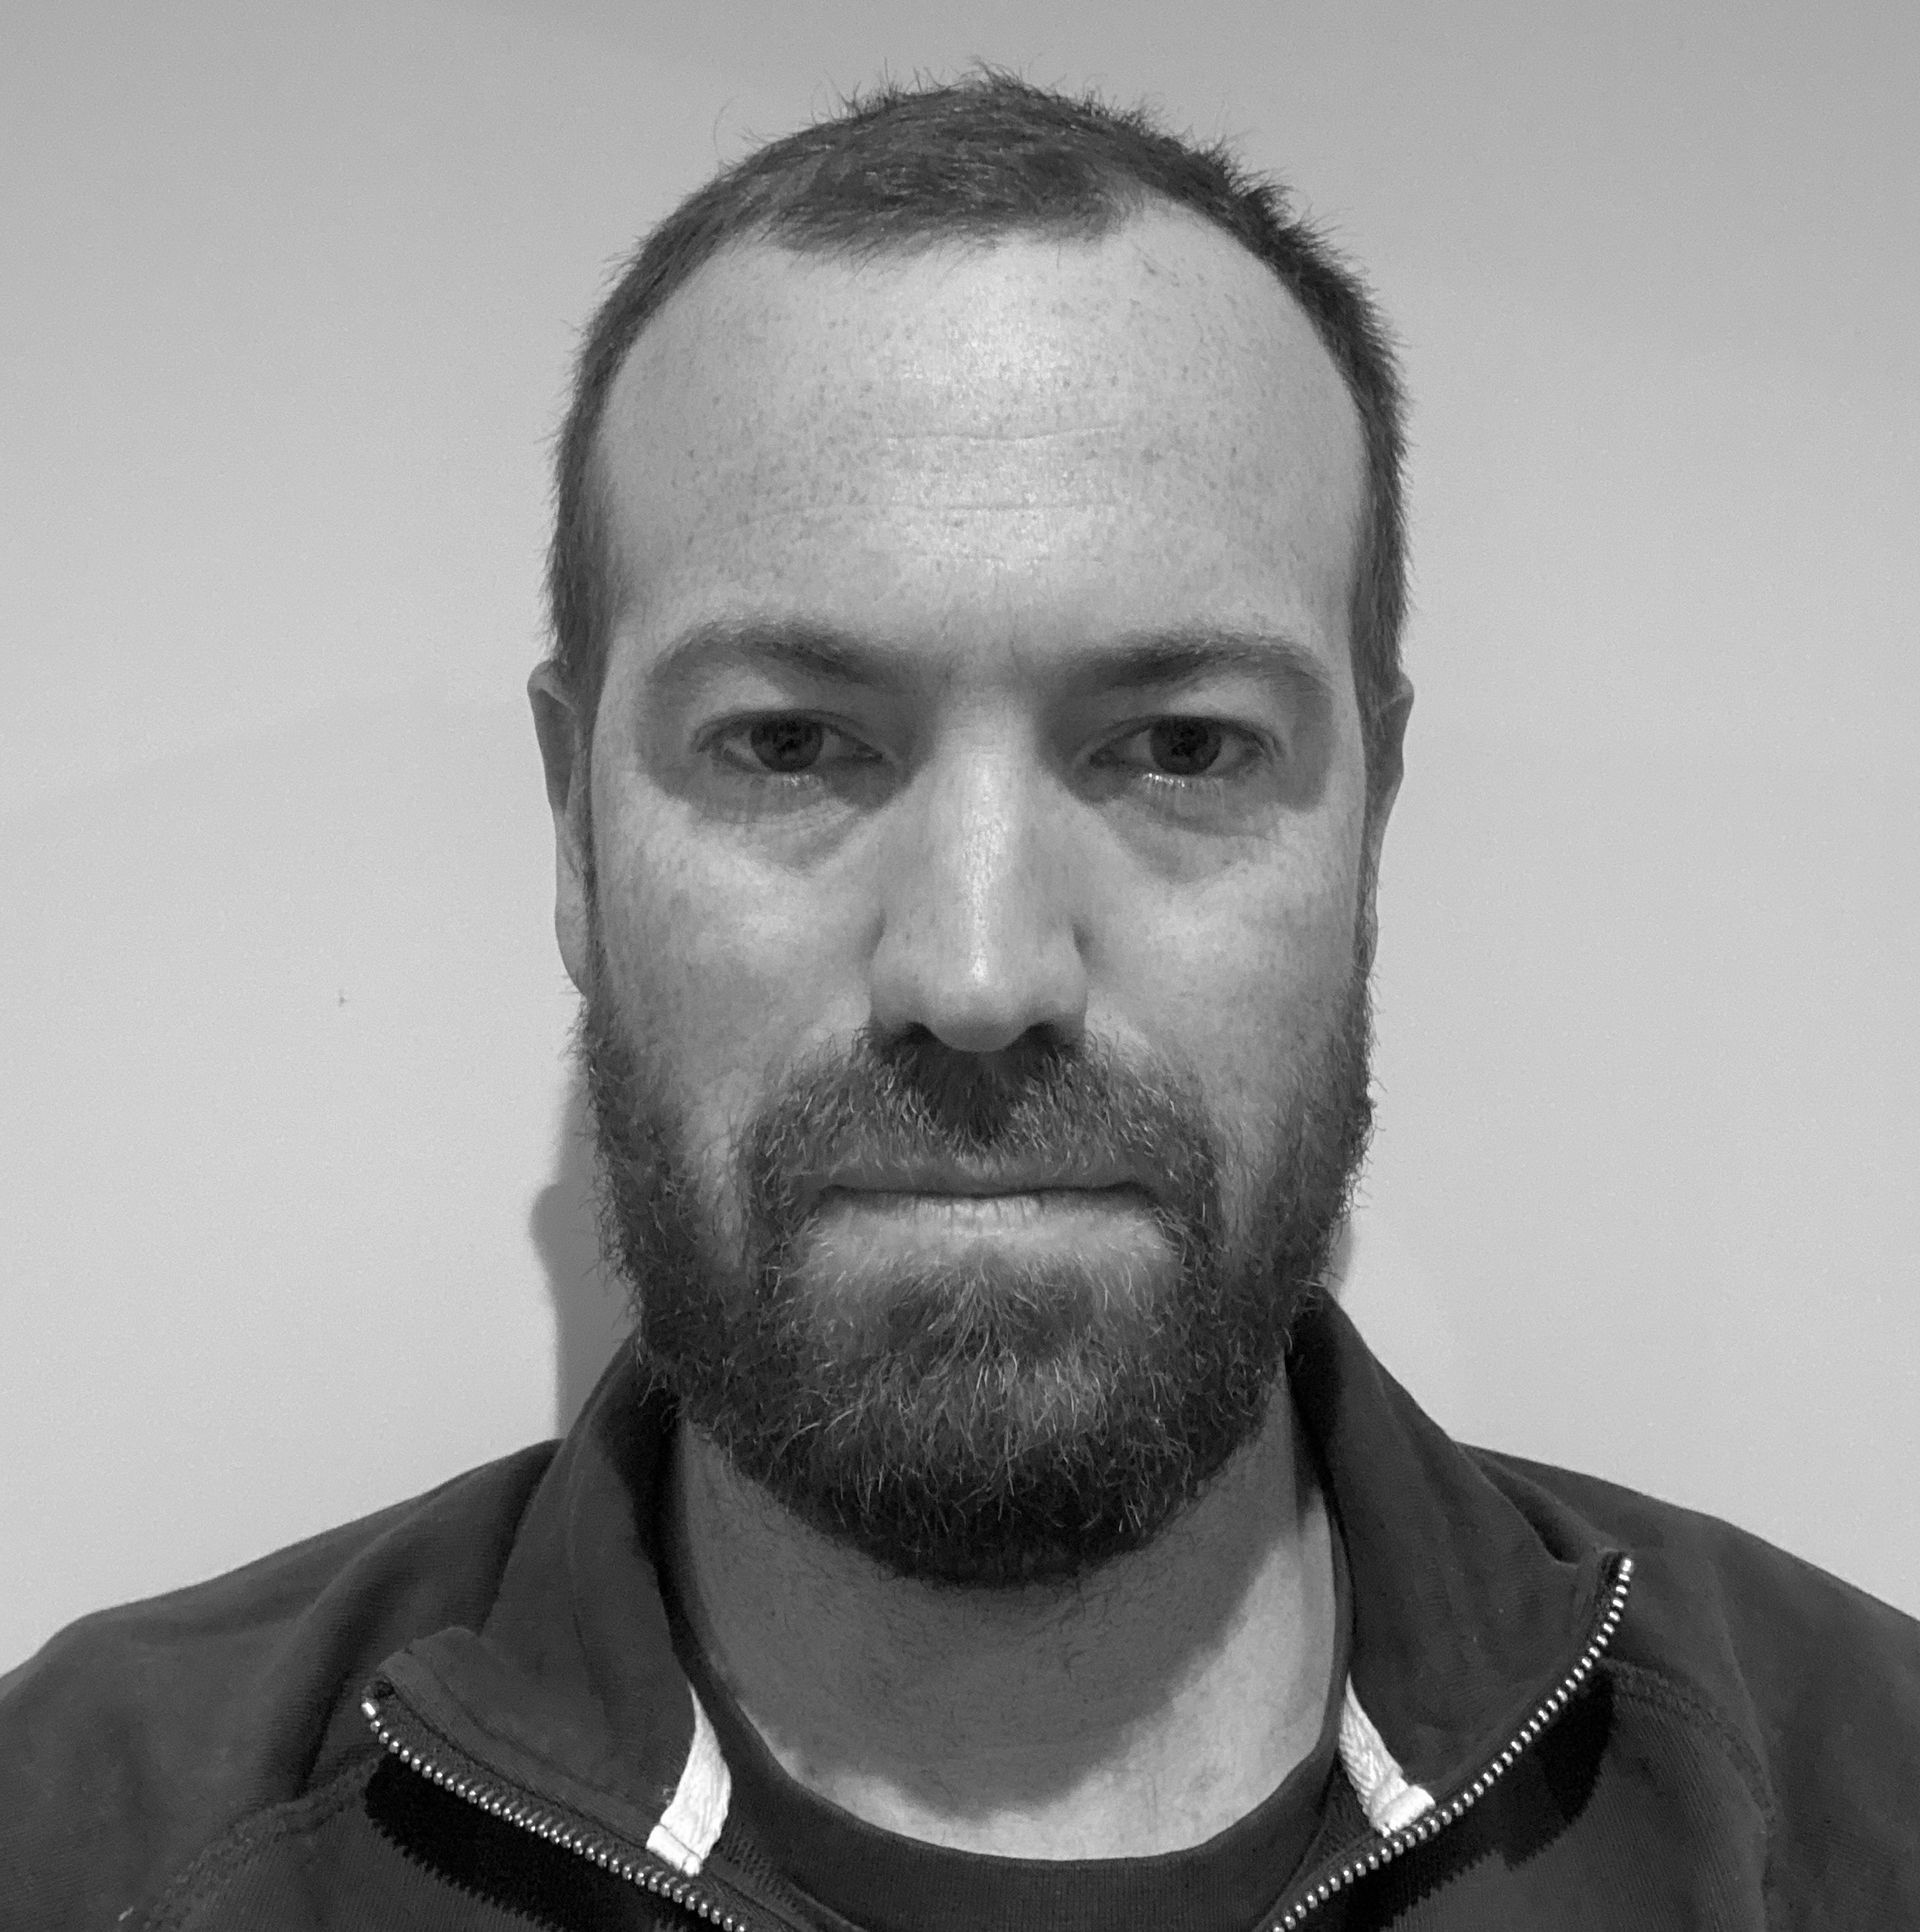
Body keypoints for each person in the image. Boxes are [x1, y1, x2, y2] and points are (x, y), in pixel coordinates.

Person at [3, 71, 1915, 1932]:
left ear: (1371, 830)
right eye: (789, 742)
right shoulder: (87, 1839)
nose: (981, 976)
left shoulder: (1862, 1808)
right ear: (576, 835)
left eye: (1182, 744)